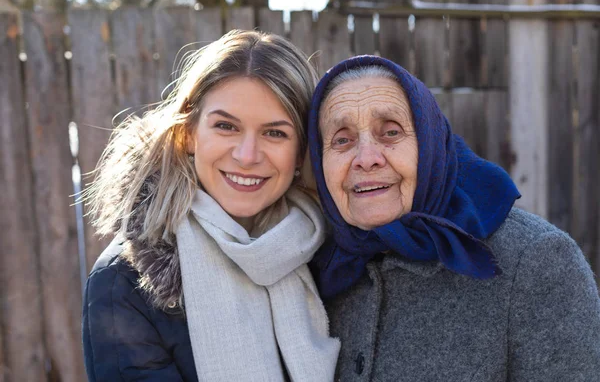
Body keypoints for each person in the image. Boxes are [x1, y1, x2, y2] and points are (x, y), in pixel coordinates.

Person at [307, 55, 600, 381]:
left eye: (390, 132)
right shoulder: (313, 269)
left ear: (431, 144)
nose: (366, 159)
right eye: (342, 139)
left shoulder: (535, 261)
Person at [82, 30, 340, 382]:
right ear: (188, 132)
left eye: (275, 133)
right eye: (225, 126)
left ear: (302, 151)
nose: (247, 156)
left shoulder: (333, 260)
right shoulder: (123, 284)